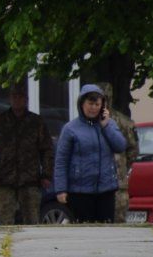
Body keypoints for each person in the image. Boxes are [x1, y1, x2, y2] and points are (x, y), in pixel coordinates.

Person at [53, 83, 127, 222]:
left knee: (106, 229)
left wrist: (106, 126)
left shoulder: (108, 125)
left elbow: (120, 146)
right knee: (84, 231)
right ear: (82, 104)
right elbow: (61, 160)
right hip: (80, 191)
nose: (93, 108)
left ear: (102, 106)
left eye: (97, 104)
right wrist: (61, 189)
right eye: (90, 104)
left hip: (106, 189)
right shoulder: (70, 129)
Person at [0, 89, 50, 226]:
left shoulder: (36, 122)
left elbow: (46, 150)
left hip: (30, 180)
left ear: (26, 99)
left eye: (20, 96)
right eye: (14, 96)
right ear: (10, 99)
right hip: (5, 180)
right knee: (5, 223)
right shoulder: (0, 121)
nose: (17, 99)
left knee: (32, 222)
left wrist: (47, 174)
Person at [104, 84, 140, 223]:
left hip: (118, 184)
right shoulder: (88, 122)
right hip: (95, 185)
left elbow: (133, 149)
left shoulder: (123, 122)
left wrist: (122, 166)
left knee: (118, 223)